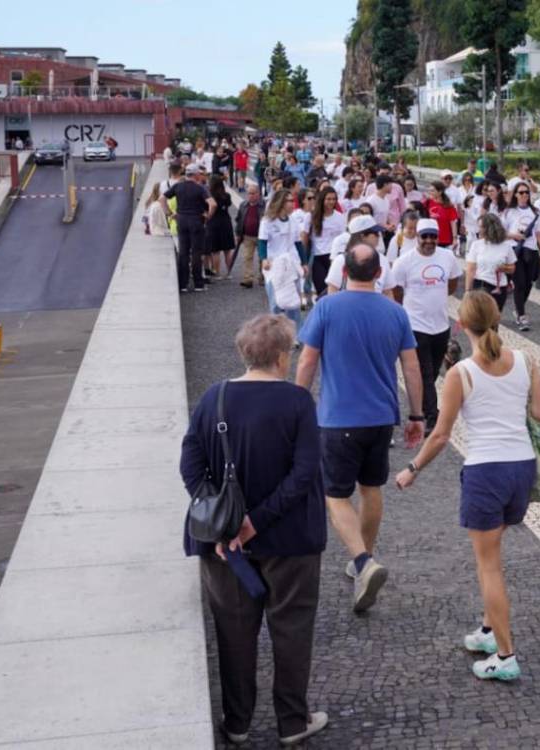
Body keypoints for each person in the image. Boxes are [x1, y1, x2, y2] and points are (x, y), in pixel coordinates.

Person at [180, 314, 329, 747]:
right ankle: (292, 721)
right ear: (282, 357)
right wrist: (256, 521)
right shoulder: (298, 403)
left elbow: (190, 467)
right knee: (292, 627)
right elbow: (304, 474)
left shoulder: (214, 398)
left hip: (225, 546)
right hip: (291, 540)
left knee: (233, 630)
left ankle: (238, 721)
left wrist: (227, 520)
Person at [394, 292, 540, 681]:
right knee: (494, 552)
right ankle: (486, 630)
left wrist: (412, 468)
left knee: (488, 567)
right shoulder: (526, 360)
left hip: (487, 472)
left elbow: (441, 435)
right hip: (521, 468)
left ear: (461, 326)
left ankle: (506, 654)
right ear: (497, 319)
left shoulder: (461, 373)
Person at [296, 242, 426, 614]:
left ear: (343, 271)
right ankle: (363, 559)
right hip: (381, 417)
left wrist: (295, 402)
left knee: (335, 495)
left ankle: (362, 562)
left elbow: (307, 360)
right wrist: (416, 416)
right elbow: (412, 367)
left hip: (338, 418)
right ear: (379, 274)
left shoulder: (326, 308)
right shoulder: (395, 312)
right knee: (371, 489)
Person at [390, 219, 461, 433]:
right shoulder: (404, 261)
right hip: (415, 325)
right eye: (425, 237)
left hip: (440, 325)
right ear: (417, 237)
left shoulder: (447, 257)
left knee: (432, 370)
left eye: (433, 236)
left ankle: (423, 407)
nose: (429, 241)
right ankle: (432, 417)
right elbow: (397, 291)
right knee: (425, 373)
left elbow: (452, 283)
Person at [166, 164, 217, 293]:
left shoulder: (178, 186)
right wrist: (208, 216)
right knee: (196, 252)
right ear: (195, 175)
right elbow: (213, 204)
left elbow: (162, 199)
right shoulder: (200, 188)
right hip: (196, 221)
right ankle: (198, 284)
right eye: (199, 173)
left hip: (181, 220)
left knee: (183, 252)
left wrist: (170, 214)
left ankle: (183, 284)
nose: (200, 175)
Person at [503, 183, 540, 331]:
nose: (524, 195)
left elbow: (539, 234)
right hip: (515, 251)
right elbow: (501, 233)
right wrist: (514, 235)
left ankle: (519, 308)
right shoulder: (509, 212)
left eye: (526, 192)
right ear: (515, 194)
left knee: (528, 283)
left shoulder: (536, 212)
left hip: (531, 251)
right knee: (519, 284)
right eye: (521, 192)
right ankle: (521, 315)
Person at [466, 212, 517, 310]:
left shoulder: (506, 246)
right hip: (481, 285)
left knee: (494, 321)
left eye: (481, 227)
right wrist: (467, 291)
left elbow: (512, 268)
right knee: (481, 320)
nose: (479, 230)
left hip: (500, 287)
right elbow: (470, 269)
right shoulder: (476, 245)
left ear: (490, 228)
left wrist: (504, 268)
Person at [307, 187, 346, 300]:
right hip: (318, 256)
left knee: (335, 289)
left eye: (334, 199)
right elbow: (305, 238)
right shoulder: (312, 216)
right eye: (328, 199)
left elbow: (343, 238)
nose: (331, 202)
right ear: (322, 200)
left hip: (335, 257)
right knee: (322, 290)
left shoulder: (340, 217)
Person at [207, 174, 237, 279]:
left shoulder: (209, 196)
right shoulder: (226, 195)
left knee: (215, 251)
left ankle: (217, 273)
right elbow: (227, 205)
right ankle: (229, 273)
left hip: (213, 223)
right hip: (225, 222)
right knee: (227, 250)